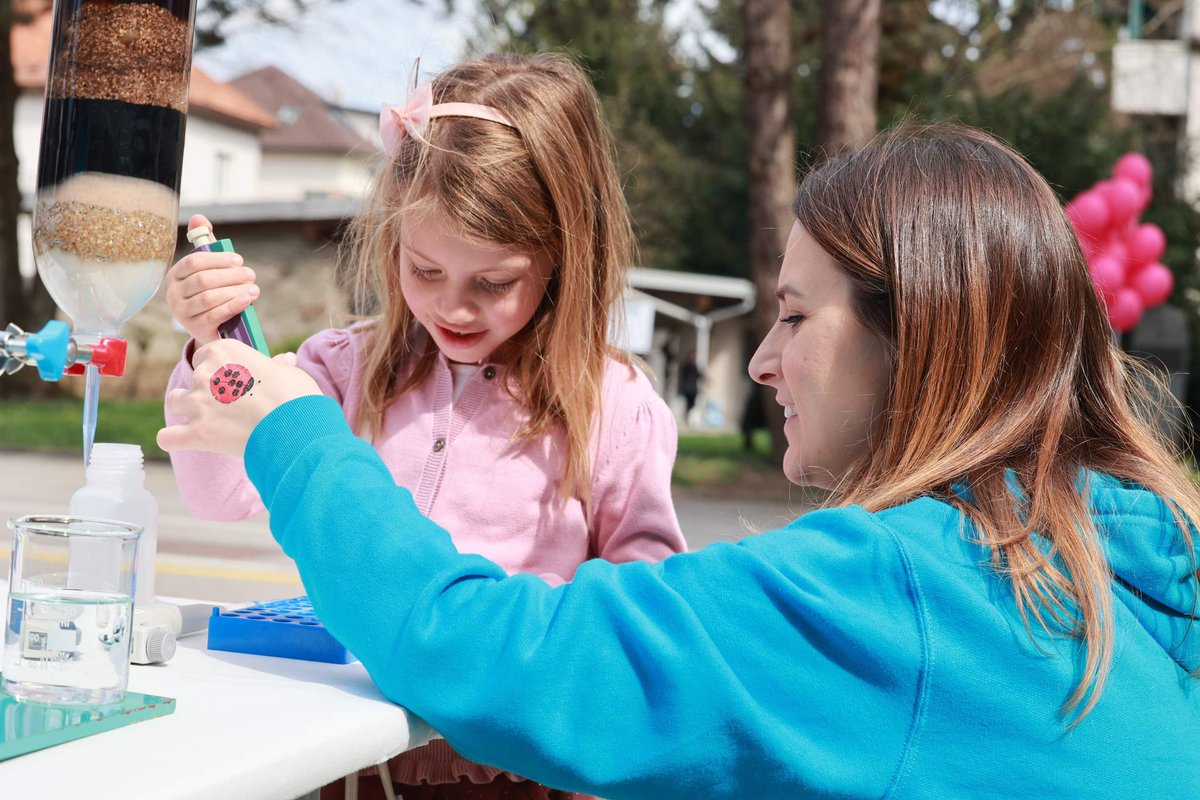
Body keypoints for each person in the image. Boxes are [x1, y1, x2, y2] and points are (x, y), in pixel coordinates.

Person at [159, 123, 1200, 799]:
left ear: (914, 335)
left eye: (794, 314)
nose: (763, 358)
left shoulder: (901, 591)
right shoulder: (1143, 556)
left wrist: (293, 431)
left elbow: (488, 648)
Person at [161, 53, 687, 799]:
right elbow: (220, 494)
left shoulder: (613, 404)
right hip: (342, 761)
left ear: (565, 257)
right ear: (393, 241)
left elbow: (645, 610)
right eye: (425, 269)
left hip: (516, 769)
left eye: (494, 282)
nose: (454, 308)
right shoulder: (345, 366)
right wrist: (213, 347)